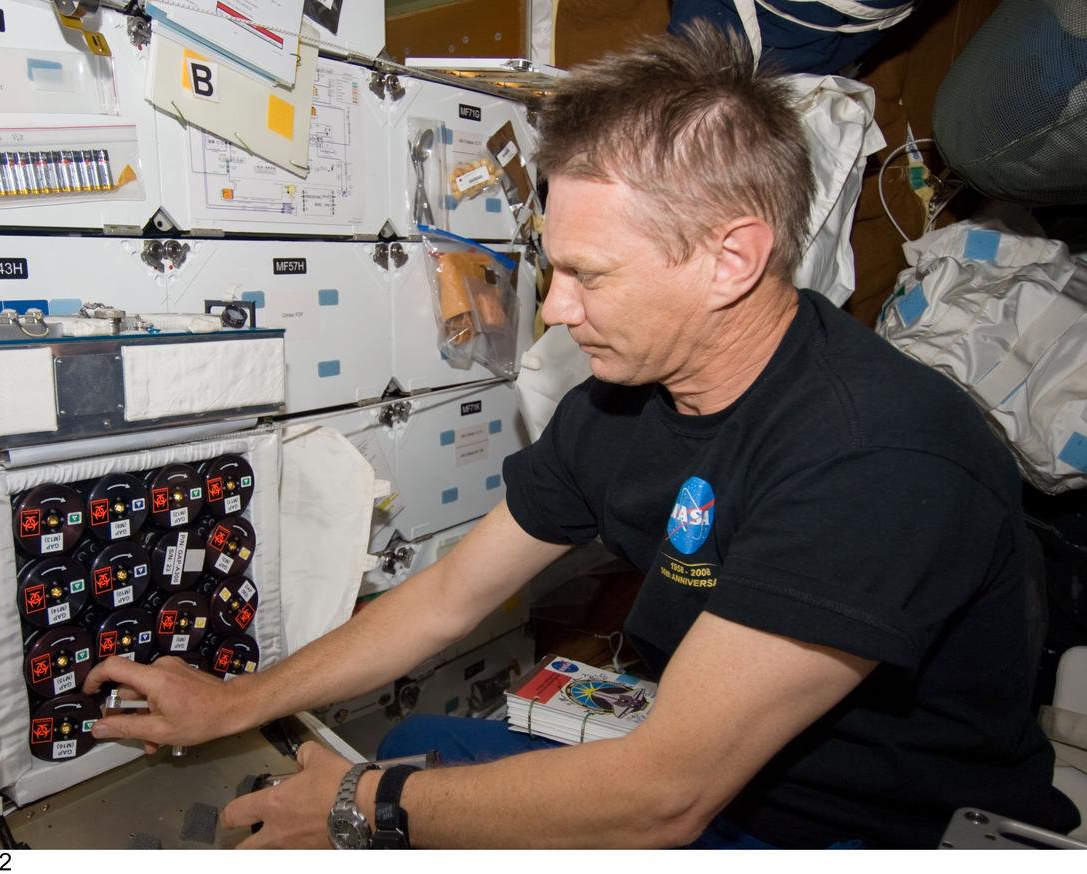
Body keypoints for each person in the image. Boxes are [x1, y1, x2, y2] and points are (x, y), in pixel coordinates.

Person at [83, 23, 1080, 848]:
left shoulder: (875, 457)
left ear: (729, 258)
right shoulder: (616, 404)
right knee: (422, 737)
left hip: (861, 834)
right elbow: (447, 596)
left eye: (589, 275)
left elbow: (662, 796)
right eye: (549, 266)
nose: (553, 310)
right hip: (711, 782)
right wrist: (234, 702)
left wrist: (361, 808)